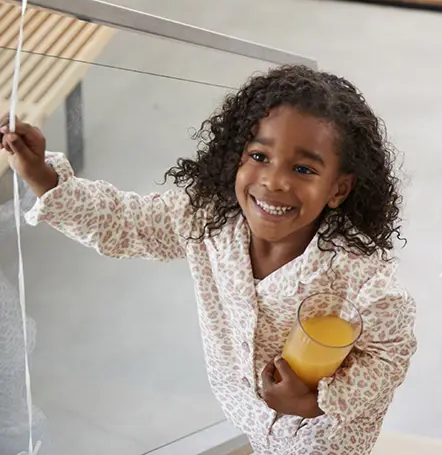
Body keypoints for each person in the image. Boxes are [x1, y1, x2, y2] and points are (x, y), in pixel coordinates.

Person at [2, 65, 416, 455]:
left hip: (323, 439)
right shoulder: (205, 219)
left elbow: (389, 356)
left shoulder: (363, 280)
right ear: (236, 155)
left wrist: (315, 402)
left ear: (338, 189)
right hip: (248, 414)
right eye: (259, 156)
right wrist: (40, 174)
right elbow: (125, 222)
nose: (273, 181)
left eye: (304, 169)